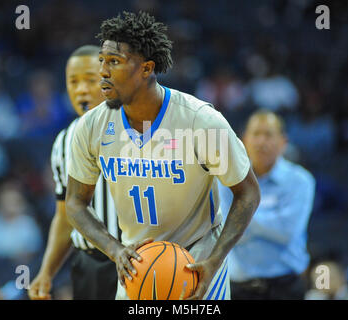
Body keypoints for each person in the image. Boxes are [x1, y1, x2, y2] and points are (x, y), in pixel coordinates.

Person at [65, 11, 260, 300]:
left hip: (198, 258)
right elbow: (75, 203)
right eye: (102, 62)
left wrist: (215, 260)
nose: (102, 72)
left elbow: (248, 194)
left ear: (146, 69)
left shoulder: (200, 121)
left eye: (114, 62)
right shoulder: (91, 126)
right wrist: (114, 248)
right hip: (137, 263)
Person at [28, 45, 120, 300]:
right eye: (73, 81)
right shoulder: (63, 141)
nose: (80, 89)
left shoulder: (144, 132)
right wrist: (46, 271)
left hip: (142, 260)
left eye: (91, 80)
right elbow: (65, 216)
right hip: (88, 266)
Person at [219, 110, 315, 299]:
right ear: (244, 140)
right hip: (238, 287)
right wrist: (270, 223)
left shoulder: (301, 180)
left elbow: (287, 231)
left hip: (286, 285)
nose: (261, 142)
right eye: (256, 134)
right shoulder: (224, 179)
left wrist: (241, 218)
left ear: (283, 142)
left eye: (268, 135)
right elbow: (224, 230)